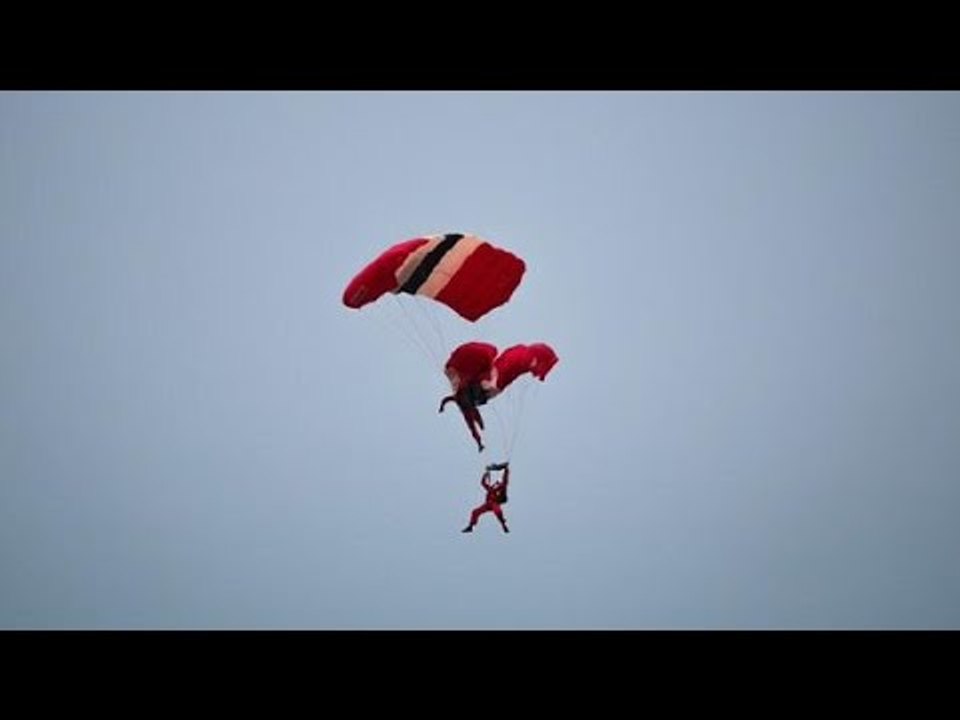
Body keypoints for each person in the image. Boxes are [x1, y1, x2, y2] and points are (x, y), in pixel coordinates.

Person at [438, 382, 491, 452]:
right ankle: (480, 444)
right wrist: (442, 407)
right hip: (468, 412)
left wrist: (442, 406)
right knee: (473, 428)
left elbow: (445, 400)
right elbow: (445, 400)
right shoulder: (456, 396)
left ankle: (481, 429)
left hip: (471, 409)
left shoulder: (463, 391)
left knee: (480, 424)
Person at [461, 462, 510, 534]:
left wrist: (506, 470)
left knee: (498, 511)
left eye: (498, 483)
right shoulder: (491, 488)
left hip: (495, 503)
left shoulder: (502, 488)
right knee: (475, 511)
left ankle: (504, 525)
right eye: (496, 483)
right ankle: (471, 526)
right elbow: (483, 483)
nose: (496, 484)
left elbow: (505, 480)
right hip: (487, 504)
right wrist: (486, 474)